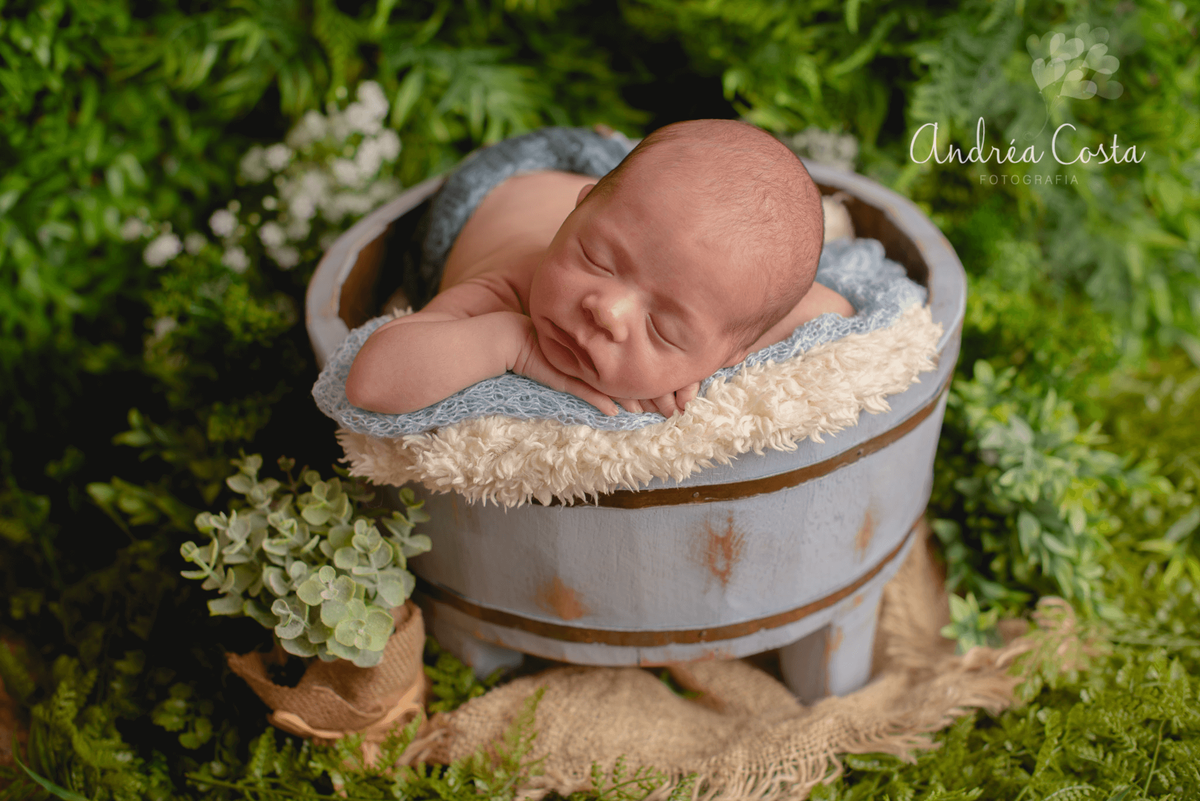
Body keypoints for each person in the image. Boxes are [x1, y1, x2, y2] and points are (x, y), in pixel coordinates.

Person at [344, 119, 854, 418]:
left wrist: (707, 361)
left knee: (677, 209)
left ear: (729, 354)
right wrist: (508, 341)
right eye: (595, 259)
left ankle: (612, 155)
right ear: (576, 216)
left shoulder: (721, 327)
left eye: (664, 327)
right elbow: (370, 382)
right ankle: (602, 149)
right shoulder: (511, 286)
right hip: (494, 191)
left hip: (616, 197)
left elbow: (832, 306)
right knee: (644, 181)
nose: (606, 310)